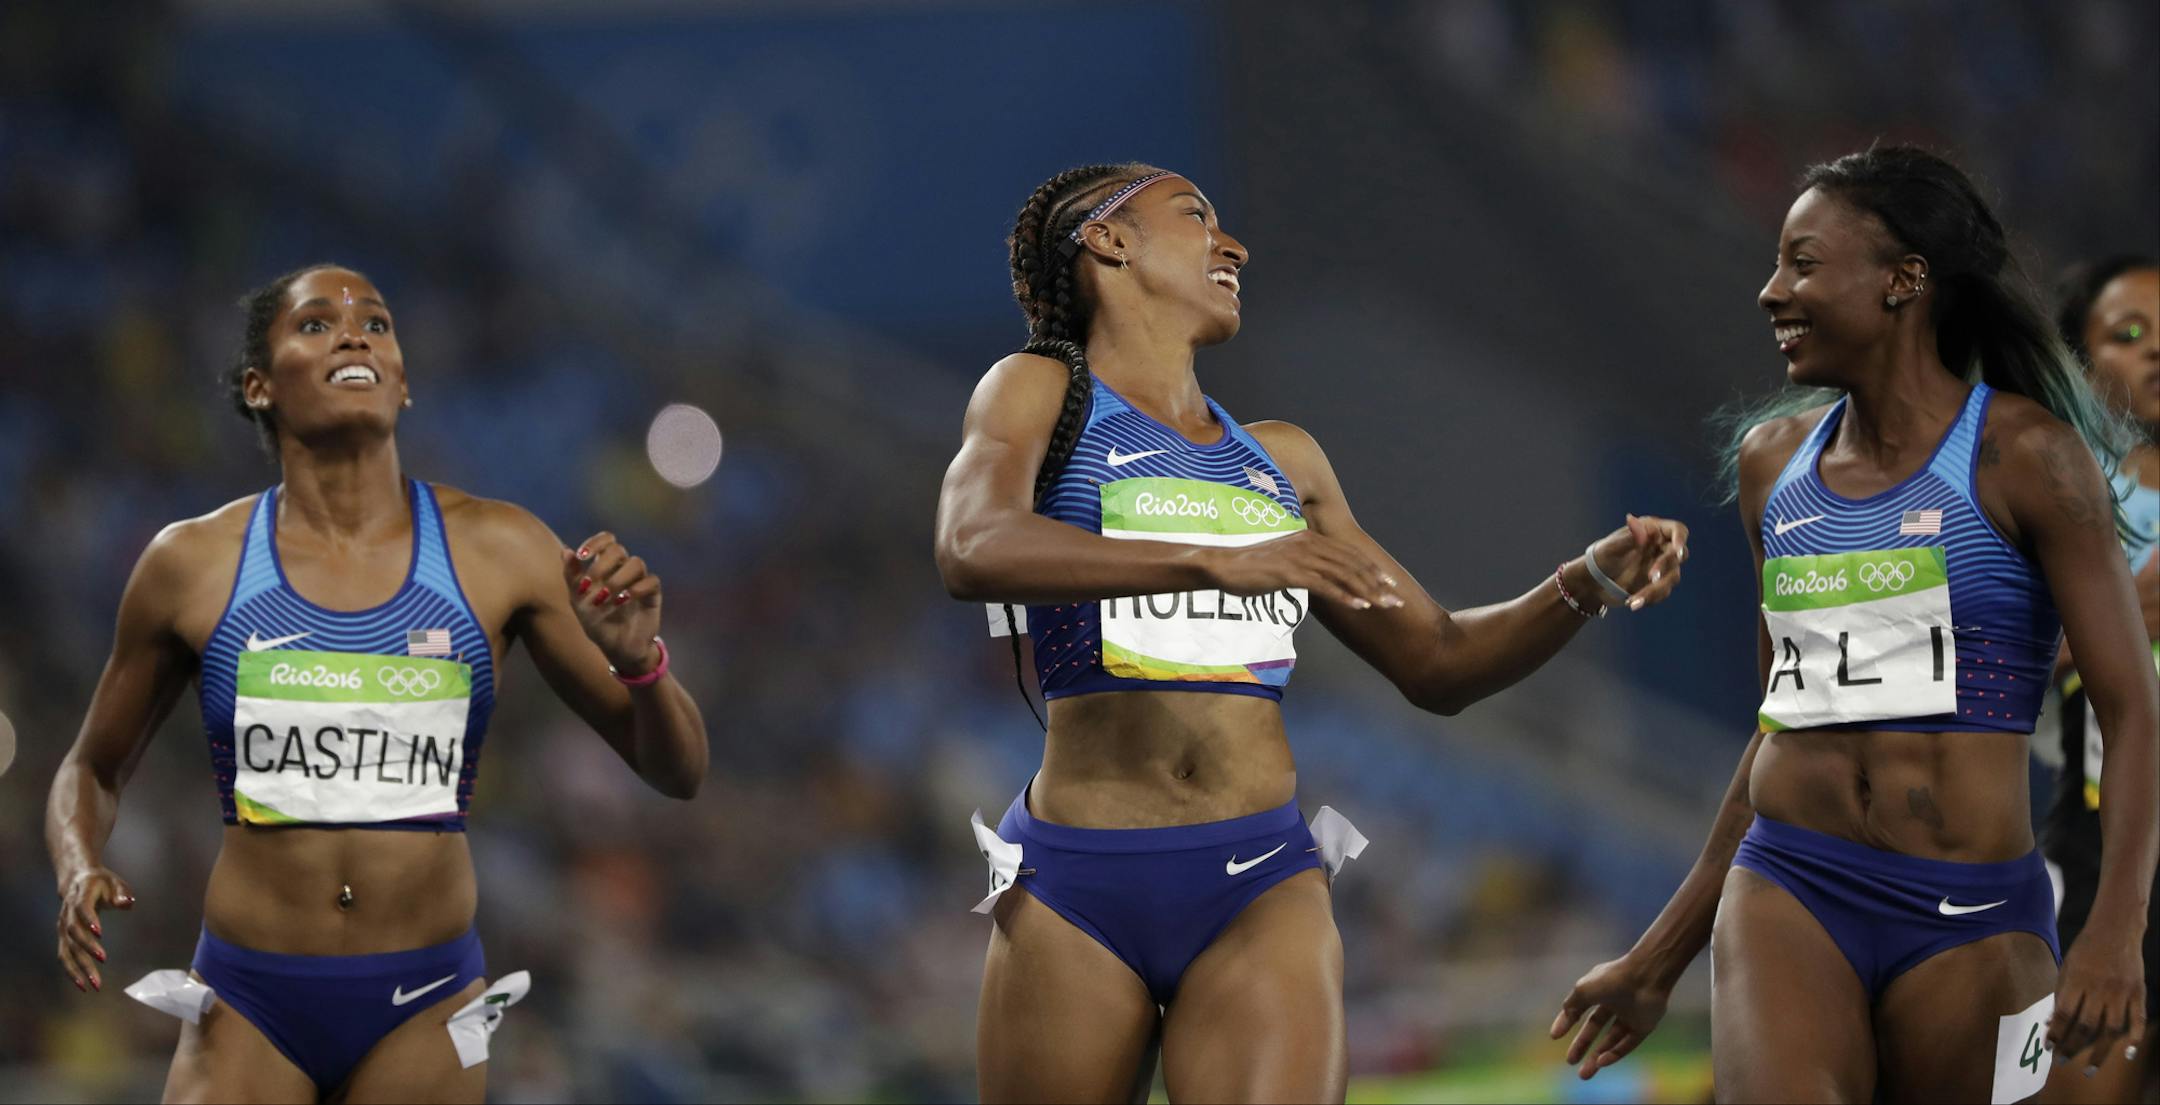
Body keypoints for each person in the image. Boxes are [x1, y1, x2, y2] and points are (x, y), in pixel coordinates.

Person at [934, 163, 1689, 1103]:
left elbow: (1440, 661)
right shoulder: (1038, 390)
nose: (1233, 243)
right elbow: (971, 544)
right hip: (1074, 881)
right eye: (1196, 216)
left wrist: (1585, 582)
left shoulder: (1284, 462)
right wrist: (1209, 560)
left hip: (1255, 879)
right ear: (1109, 239)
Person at [1550, 147, 2158, 1103]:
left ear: (1902, 281)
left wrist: (2114, 930)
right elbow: (1776, 727)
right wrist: (1657, 955)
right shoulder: (1771, 466)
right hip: (1792, 883)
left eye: (1802, 262)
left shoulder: (2029, 459)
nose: (1769, 292)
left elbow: (2133, 714)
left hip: (1974, 913)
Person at [45, 264, 710, 1103]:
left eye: (378, 324)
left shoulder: (501, 549)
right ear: (260, 385)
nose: (355, 334)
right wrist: (77, 865)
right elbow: (89, 769)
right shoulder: (191, 564)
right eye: (316, 324)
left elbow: (679, 771)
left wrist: (639, 664)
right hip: (251, 997)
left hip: (425, 1003)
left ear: (403, 384)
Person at [2040, 255, 2160, 1105]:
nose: (2158, 352)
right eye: (2129, 334)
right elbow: (1986, 660)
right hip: (2107, 863)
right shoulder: (2054, 496)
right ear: (2081, 366)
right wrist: (2113, 620)